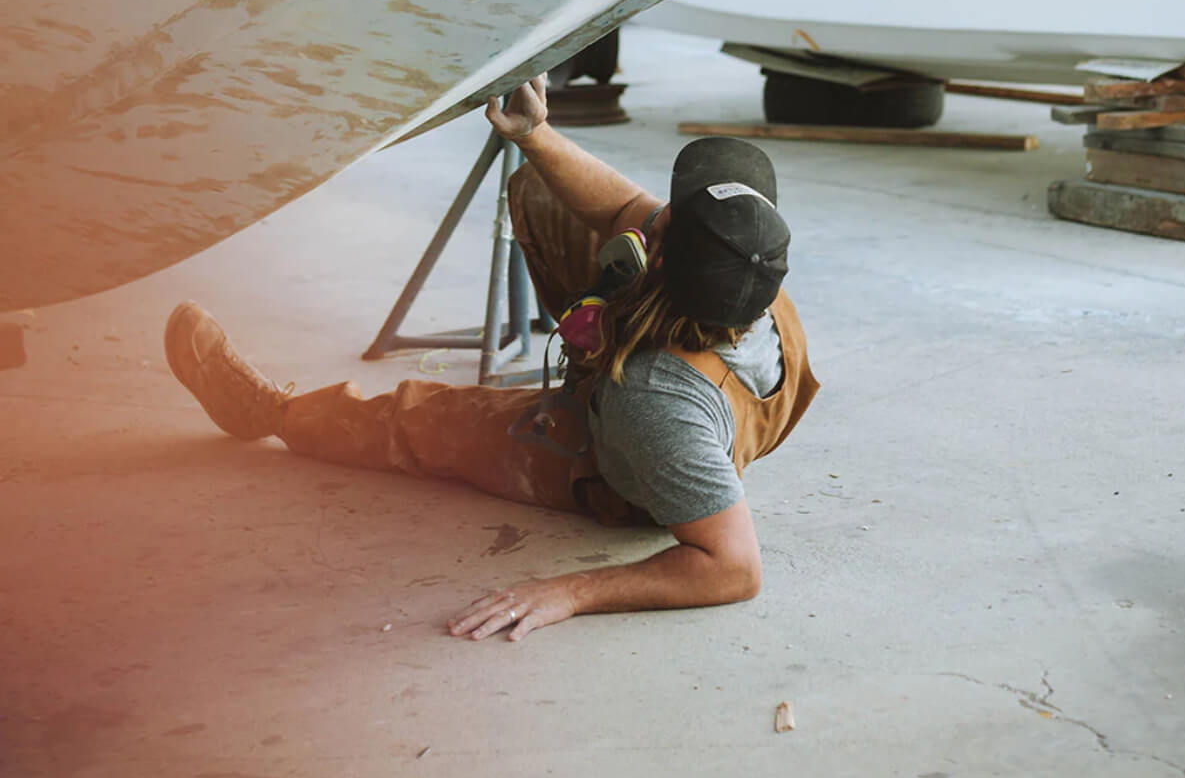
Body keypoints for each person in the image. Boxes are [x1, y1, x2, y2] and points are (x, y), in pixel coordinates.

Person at [164, 76, 819, 642]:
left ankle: (270, 413)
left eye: (671, 220)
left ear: (663, 264)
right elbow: (627, 207)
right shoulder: (751, 269)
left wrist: (571, 593)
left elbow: (733, 567)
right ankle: (593, 324)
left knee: (416, 422)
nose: (663, 208)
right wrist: (533, 134)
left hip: (618, 459)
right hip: (686, 408)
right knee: (543, 191)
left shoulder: (652, 402)